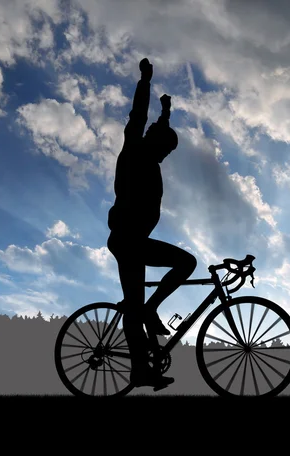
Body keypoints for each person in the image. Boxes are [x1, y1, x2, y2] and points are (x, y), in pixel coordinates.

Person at [107, 57, 197, 390]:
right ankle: (147, 322)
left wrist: (167, 111)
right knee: (183, 265)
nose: (165, 157)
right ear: (154, 142)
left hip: (132, 241)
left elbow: (157, 126)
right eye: (165, 150)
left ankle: (142, 358)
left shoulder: (150, 152)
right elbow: (138, 117)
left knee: (138, 304)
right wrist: (145, 81)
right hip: (128, 239)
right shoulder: (134, 149)